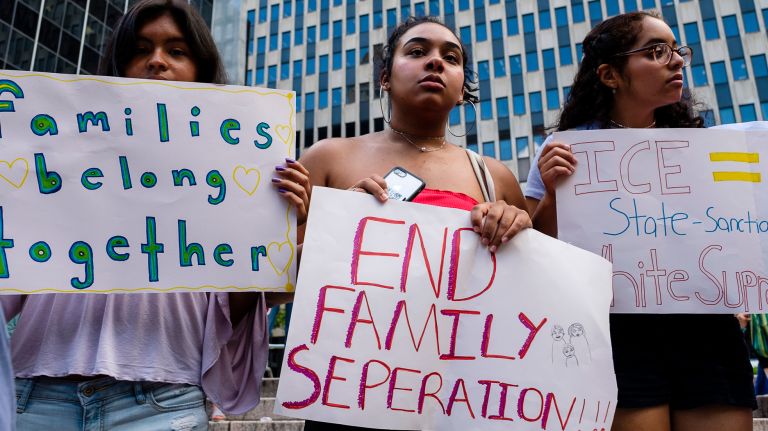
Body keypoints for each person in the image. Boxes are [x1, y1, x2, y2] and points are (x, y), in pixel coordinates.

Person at [0, 0, 310, 429]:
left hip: (161, 404)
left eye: (177, 51)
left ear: (201, 70)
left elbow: (231, 308)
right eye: (141, 49)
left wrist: (273, 229)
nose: (157, 61)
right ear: (119, 66)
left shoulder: (238, 173)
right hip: (36, 397)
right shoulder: (53, 158)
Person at [524, 11, 755, 431]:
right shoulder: (565, 150)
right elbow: (535, 251)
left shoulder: (705, 148)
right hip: (617, 334)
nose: (677, 60)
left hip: (706, 329)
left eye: (677, 50)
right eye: (656, 51)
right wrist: (555, 194)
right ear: (610, 75)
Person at [297, 16, 531, 430]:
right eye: (418, 51)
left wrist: (518, 226)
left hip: (459, 401)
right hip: (350, 396)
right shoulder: (326, 158)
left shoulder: (496, 178)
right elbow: (267, 293)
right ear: (385, 78)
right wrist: (334, 233)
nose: (436, 62)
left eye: (451, 58)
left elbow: (528, 298)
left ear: (462, 87)